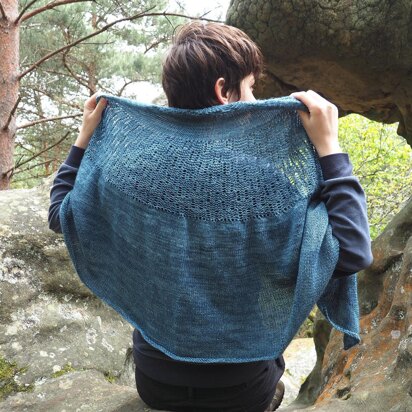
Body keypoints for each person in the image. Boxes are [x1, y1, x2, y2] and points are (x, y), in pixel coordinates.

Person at [48, 21, 373, 412]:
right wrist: (330, 149)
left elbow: (61, 214)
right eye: (250, 88)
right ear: (223, 91)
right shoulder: (266, 185)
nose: (254, 100)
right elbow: (352, 252)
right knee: (275, 384)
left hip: (155, 382)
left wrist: (84, 138)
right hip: (240, 389)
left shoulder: (131, 171)